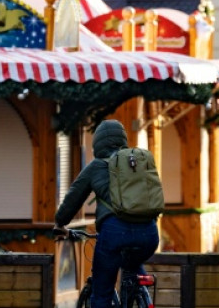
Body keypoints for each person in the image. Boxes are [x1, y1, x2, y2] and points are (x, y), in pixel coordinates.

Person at [54, 119, 160, 308]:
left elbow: (73, 198)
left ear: (98, 143)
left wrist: (60, 222)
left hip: (114, 233)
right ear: (123, 139)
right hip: (150, 235)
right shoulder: (137, 163)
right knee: (132, 266)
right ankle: (141, 294)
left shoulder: (97, 166)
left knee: (101, 292)